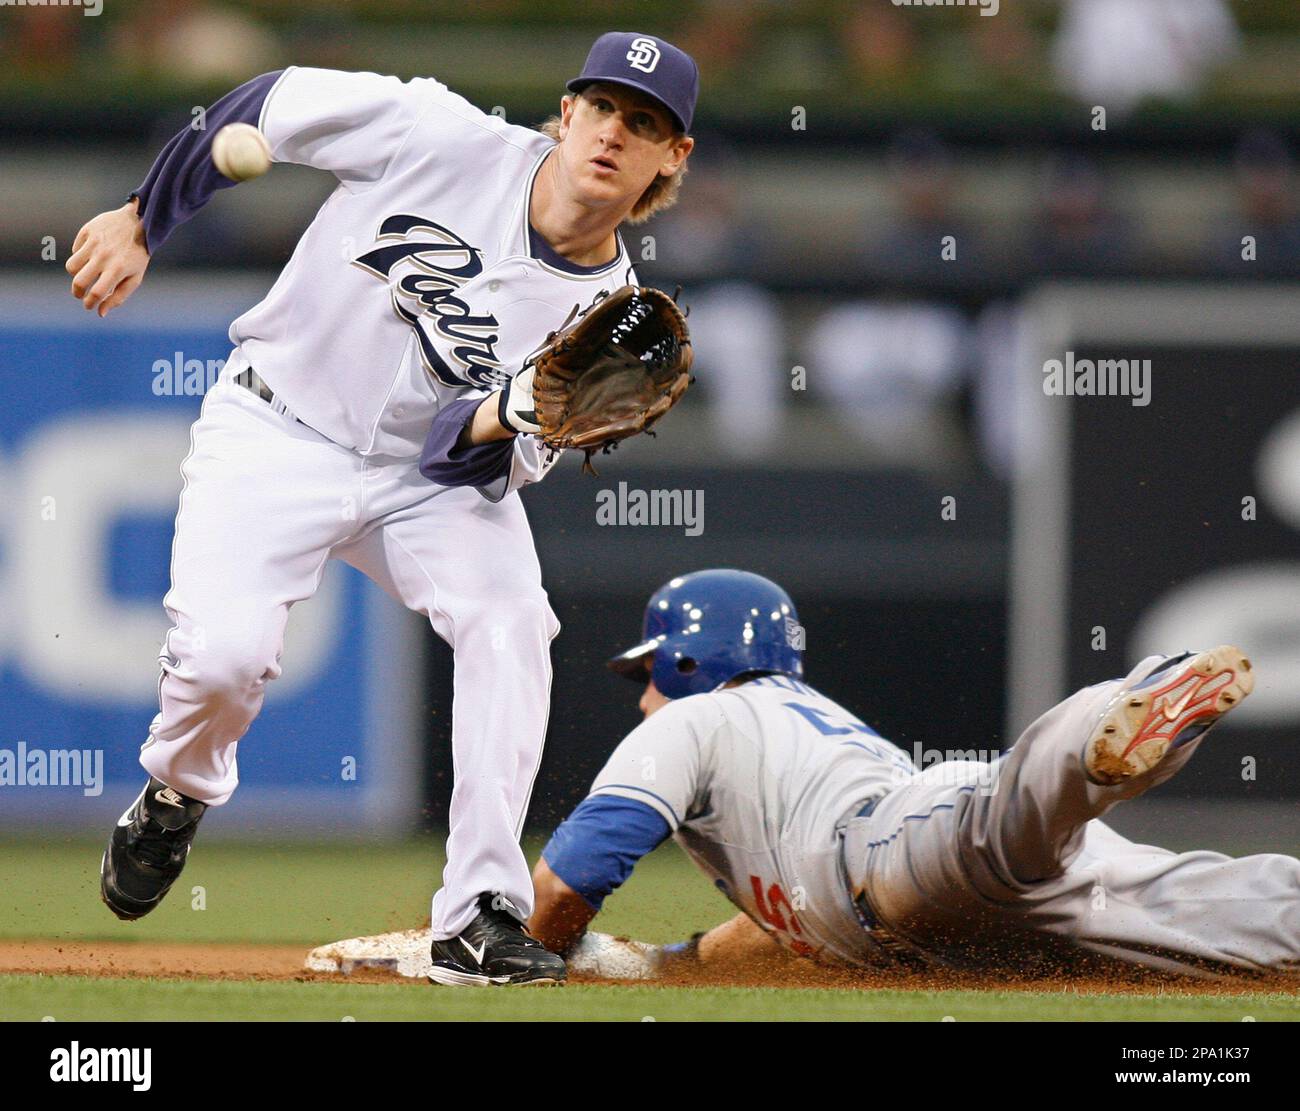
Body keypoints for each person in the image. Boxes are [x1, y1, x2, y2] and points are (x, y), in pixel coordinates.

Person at [65, 31, 698, 987]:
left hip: (423, 484)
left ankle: (480, 914)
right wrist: (144, 217)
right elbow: (267, 106)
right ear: (567, 112)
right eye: (603, 106)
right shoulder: (436, 133)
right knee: (225, 665)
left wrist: (512, 410)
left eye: (644, 122)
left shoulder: (609, 319)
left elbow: (464, 464)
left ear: (672, 156)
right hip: (277, 425)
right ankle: (177, 790)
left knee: (512, 619)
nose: (616, 131)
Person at [528, 569, 1298, 979]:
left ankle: (1133, 701)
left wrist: (522, 949)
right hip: (956, 902)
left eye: (648, 675)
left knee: (1014, 801)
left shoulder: (696, 717)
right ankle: (1125, 713)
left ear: (687, 662)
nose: (645, 699)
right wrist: (670, 964)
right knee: (1210, 905)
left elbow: (573, 879)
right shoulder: (793, 734)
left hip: (895, 844)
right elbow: (786, 924)